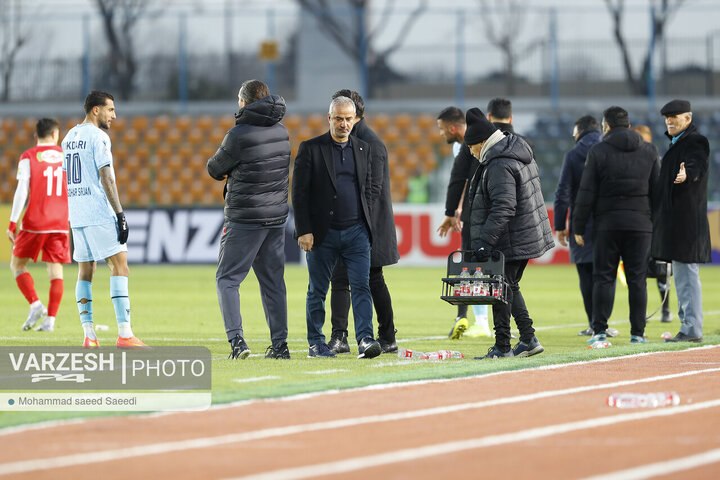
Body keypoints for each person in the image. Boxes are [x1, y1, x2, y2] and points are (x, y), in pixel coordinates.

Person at [207, 79, 291, 360]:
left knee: (227, 279)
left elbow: (214, 168)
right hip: (276, 218)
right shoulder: (282, 131)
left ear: (244, 102)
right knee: (273, 283)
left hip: (245, 218)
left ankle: (237, 342)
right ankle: (280, 346)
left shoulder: (238, 135)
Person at [292, 96, 381, 359]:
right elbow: (299, 193)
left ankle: (365, 339)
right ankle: (316, 343)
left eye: (348, 119)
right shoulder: (310, 148)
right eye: (339, 118)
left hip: (356, 232)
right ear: (329, 118)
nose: (344, 124)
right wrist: (303, 229)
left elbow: (369, 189)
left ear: (356, 119)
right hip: (322, 232)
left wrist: (367, 225)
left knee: (362, 286)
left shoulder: (364, 149)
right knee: (317, 290)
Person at [464, 108, 554, 359]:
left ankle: (506, 345)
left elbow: (504, 206)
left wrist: (485, 242)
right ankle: (526, 339)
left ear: (481, 142)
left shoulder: (498, 163)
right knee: (508, 287)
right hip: (522, 233)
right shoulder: (515, 151)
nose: (471, 152)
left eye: (471, 147)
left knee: (502, 289)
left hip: (511, 236)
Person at [61, 90, 146, 349]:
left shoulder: (68, 138)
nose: (114, 115)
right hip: (98, 212)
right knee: (120, 267)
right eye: (110, 110)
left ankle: (89, 336)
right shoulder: (98, 137)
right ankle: (125, 335)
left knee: (85, 272)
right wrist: (120, 214)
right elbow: (106, 177)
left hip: (77, 214)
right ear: (95, 110)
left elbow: (68, 178)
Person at [572, 106, 659, 345]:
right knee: (637, 280)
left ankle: (599, 330)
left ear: (607, 126)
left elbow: (586, 192)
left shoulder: (598, 151)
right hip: (641, 225)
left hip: (607, 225)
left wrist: (578, 227)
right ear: (629, 126)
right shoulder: (650, 151)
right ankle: (638, 334)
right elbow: (657, 193)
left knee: (603, 278)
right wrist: (655, 225)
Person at [326, 90, 400, 355]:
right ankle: (343, 336)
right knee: (344, 278)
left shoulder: (372, 144)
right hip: (348, 225)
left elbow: (373, 191)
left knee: (372, 278)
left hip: (367, 227)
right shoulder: (343, 142)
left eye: (346, 114)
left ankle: (384, 335)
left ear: (355, 115)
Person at [652, 100, 710, 343]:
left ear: (687, 118)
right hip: (678, 224)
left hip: (686, 224)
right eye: (667, 116)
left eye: (674, 116)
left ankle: (691, 328)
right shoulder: (677, 143)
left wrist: (690, 174)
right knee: (684, 275)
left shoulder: (695, 141)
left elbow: (697, 162)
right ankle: (688, 325)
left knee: (687, 276)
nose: (669, 120)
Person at [554, 115, 619, 337]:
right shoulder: (610, 150)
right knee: (607, 274)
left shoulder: (573, 155)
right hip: (610, 221)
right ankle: (604, 323)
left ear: (579, 130)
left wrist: (560, 224)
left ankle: (593, 323)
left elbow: (562, 192)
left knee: (586, 274)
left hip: (581, 223)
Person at [7, 118, 70, 333]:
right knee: (56, 270)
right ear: (55, 135)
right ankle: (50, 321)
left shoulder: (28, 156)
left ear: (36, 136)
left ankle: (35, 304)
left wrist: (12, 222)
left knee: (17, 265)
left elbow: (22, 190)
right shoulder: (66, 157)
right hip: (60, 222)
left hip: (35, 221)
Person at [436, 107, 492, 340]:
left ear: (452, 127)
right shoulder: (467, 144)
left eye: (441, 129)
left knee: (473, 264)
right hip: (476, 210)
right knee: (470, 263)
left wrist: (457, 210)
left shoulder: (470, 144)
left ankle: (480, 322)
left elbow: (463, 179)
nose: (440, 134)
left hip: (477, 212)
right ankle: (463, 317)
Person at [631, 124, 673, 324]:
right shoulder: (632, 162)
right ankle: (643, 313)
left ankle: (665, 309)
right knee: (641, 268)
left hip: (658, 223)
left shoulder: (660, 161)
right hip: (641, 221)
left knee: (661, 269)